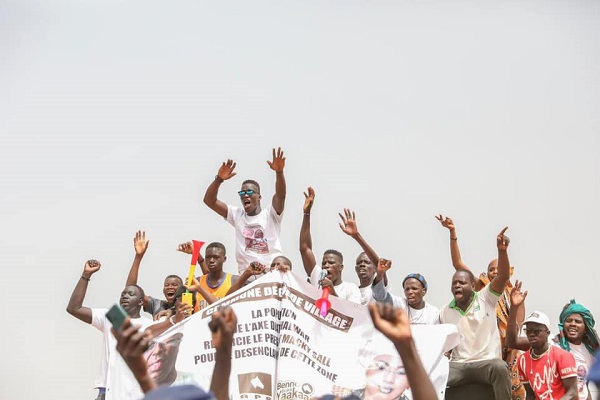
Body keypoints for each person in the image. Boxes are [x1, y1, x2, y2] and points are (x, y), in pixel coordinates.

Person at [437, 215, 525, 399]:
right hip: (460, 365)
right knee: (434, 372)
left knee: (500, 368)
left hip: (488, 362)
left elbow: (502, 278)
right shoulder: (445, 311)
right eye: (454, 283)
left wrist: (502, 251)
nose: (457, 286)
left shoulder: (487, 297)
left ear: (472, 286)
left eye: (462, 283)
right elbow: (457, 263)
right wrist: (452, 233)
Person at [66, 259, 154, 400]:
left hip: (134, 392)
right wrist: (86, 275)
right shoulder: (113, 317)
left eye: (131, 294)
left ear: (140, 301)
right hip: (107, 391)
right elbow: (74, 309)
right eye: (123, 294)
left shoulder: (149, 326)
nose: (125, 296)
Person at [112, 306, 238, 400]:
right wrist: (223, 350)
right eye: (151, 345)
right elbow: (218, 396)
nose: (157, 351)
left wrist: (141, 375)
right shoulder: (198, 384)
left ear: (178, 347)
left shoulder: (199, 380)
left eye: (169, 342)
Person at [203, 148, 287, 277]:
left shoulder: (270, 214)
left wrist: (279, 172)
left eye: (249, 192)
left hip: (272, 274)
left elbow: (280, 196)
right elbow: (209, 201)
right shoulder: (237, 215)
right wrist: (219, 179)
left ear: (259, 197)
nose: (245, 195)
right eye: (242, 193)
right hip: (246, 277)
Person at [299, 187, 361, 303]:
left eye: (331, 263)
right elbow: (305, 248)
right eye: (324, 263)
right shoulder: (318, 279)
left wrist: (331, 291)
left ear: (341, 267)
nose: (326, 266)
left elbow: (352, 314)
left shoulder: (351, 289)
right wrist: (306, 214)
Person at [515, 310, 578, 399]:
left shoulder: (563, 356)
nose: (532, 334)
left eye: (536, 331)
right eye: (528, 331)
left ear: (547, 333)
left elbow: (573, 393)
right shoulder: (522, 360)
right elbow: (530, 395)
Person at [126, 231, 184, 319]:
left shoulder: (188, 306)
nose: (170, 287)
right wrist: (138, 257)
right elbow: (130, 290)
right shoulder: (157, 305)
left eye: (174, 285)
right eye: (166, 285)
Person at [338, 208, 390, 305]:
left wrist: (356, 236)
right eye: (359, 263)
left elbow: (378, 263)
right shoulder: (351, 291)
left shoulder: (380, 288)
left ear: (375, 269)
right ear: (355, 269)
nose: (362, 265)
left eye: (366, 262)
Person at [371, 259, 440, 325]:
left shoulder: (433, 312)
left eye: (414, 288)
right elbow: (380, 296)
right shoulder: (398, 304)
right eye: (407, 289)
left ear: (424, 291)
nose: (410, 292)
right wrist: (380, 273)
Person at [555, 301, 600, 400]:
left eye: (578, 322)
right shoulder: (554, 345)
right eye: (569, 320)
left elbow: (584, 387)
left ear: (586, 328)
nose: (573, 324)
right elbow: (515, 342)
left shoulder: (589, 353)